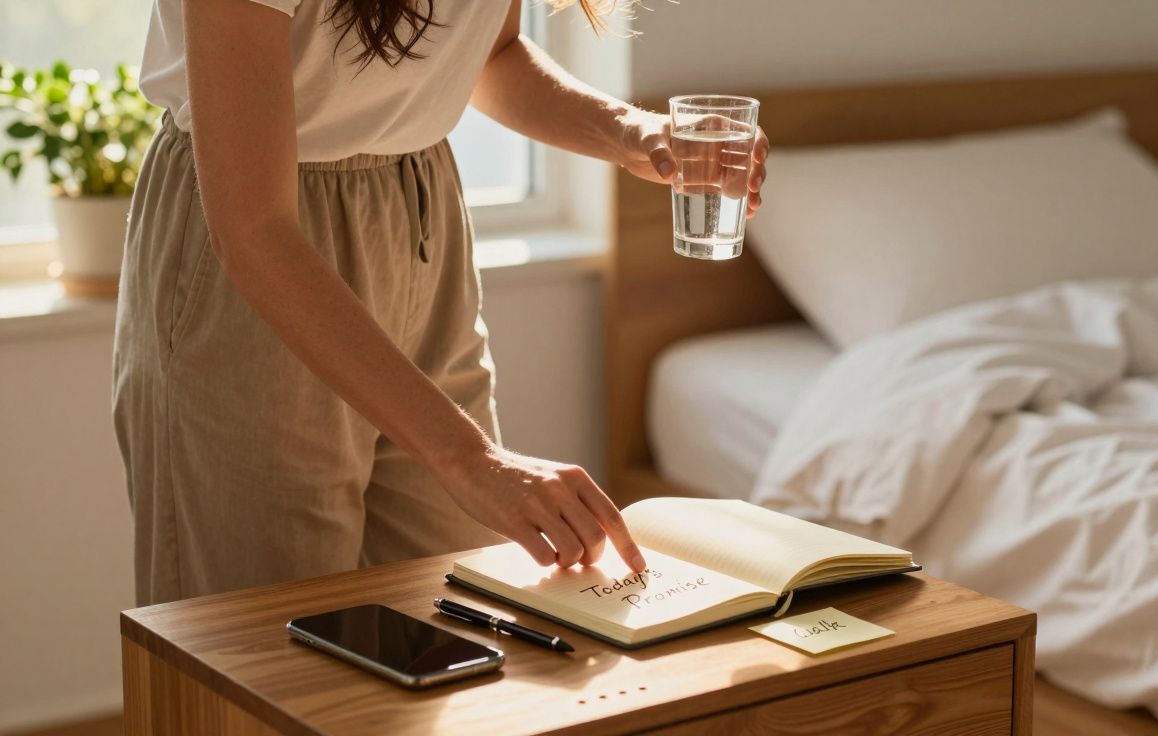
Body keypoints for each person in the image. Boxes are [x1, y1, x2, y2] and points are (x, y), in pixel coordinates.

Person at [112, 0, 768, 605]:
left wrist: (635, 134)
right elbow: (254, 231)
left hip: (420, 219)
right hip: (266, 257)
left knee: (452, 625)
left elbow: (489, 52)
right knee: (268, 653)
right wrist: (471, 457)